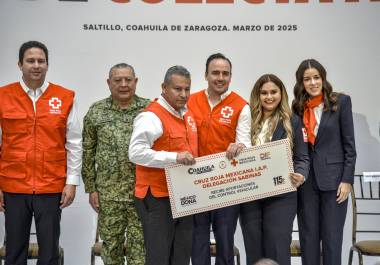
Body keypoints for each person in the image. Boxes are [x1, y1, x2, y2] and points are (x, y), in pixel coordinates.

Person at [0, 40, 82, 265]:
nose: (36, 65)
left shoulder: (65, 97)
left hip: (51, 185)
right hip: (13, 186)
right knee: (14, 250)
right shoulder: (3, 96)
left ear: (47, 65)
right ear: (20, 64)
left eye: (41, 61)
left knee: (49, 251)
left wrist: (71, 182)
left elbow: (74, 143)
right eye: (30, 61)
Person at [129, 65, 198, 265]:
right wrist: (174, 158)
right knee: (159, 258)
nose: (183, 94)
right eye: (178, 89)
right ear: (164, 87)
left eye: (187, 89)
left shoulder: (186, 113)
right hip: (157, 198)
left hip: (183, 196)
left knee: (181, 257)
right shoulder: (151, 116)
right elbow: (135, 153)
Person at [188, 53, 251, 265]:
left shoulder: (241, 105)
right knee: (198, 242)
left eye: (225, 73)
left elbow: (245, 144)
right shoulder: (189, 101)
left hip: (227, 185)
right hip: (196, 183)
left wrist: (240, 147)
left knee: (225, 243)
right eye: (215, 72)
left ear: (231, 77)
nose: (220, 77)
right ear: (206, 75)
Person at [82, 63, 148, 265]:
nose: (123, 84)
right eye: (118, 80)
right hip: (108, 195)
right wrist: (92, 189)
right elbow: (87, 152)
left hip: (141, 194)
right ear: (109, 83)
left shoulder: (149, 110)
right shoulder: (96, 111)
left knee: (141, 252)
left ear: (135, 82)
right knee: (111, 251)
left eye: (128, 79)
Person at [239, 74, 309, 265]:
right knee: (253, 250)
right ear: (257, 95)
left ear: (281, 94)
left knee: (277, 248)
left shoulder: (292, 120)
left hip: (281, 196)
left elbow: (302, 157)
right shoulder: (247, 119)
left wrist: (301, 174)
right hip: (250, 195)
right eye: (264, 93)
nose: (269, 97)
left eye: (273, 92)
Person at [292, 59, 356, 265]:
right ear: (301, 83)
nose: (313, 83)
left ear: (323, 78)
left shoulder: (341, 102)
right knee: (308, 237)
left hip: (335, 182)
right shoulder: (298, 108)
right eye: (307, 79)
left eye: (316, 77)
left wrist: (347, 180)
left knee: (332, 239)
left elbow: (350, 147)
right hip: (307, 183)